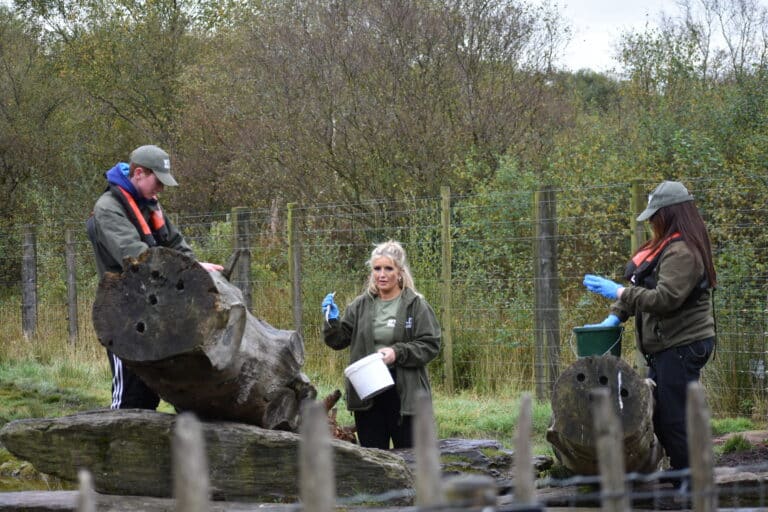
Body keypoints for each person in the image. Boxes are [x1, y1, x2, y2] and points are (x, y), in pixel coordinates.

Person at [582, 180, 716, 478]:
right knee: (657, 411)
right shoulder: (663, 247)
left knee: (674, 418)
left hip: (683, 345)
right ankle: (681, 473)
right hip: (667, 346)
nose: (653, 221)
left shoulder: (683, 251)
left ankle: (690, 481)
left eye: (656, 215)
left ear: (670, 214)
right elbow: (639, 286)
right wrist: (615, 316)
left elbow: (664, 299)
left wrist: (617, 293)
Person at [87, 144, 223, 410]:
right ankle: (121, 448)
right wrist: (185, 270)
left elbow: (176, 244)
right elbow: (137, 256)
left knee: (159, 392)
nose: (160, 189)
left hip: (156, 308)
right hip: (124, 317)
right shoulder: (108, 208)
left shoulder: (150, 205)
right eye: (157, 182)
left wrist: (195, 269)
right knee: (131, 399)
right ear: (139, 173)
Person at [321, 240, 441, 449]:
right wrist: (331, 320)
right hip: (368, 392)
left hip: (405, 394)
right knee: (373, 461)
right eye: (377, 268)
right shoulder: (360, 305)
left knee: (411, 460)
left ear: (400, 272)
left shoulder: (416, 305)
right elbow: (338, 340)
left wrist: (397, 352)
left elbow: (430, 344)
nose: (382, 274)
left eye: (388, 268)